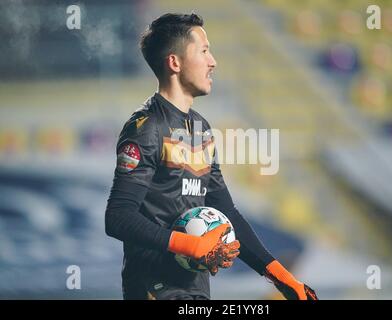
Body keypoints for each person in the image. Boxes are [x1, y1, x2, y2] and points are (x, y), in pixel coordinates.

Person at [105, 12, 318, 301]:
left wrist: (281, 277)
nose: (213, 61)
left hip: (196, 291)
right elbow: (118, 217)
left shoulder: (201, 129)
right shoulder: (146, 128)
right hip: (153, 289)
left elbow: (226, 211)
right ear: (175, 62)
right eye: (204, 51)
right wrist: (190, 246)